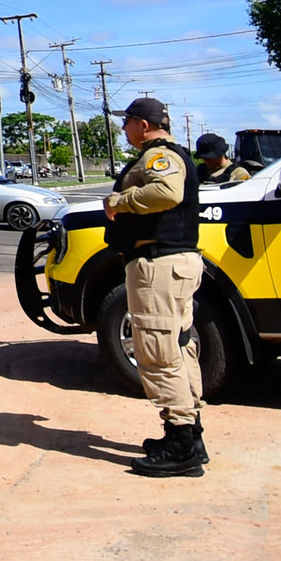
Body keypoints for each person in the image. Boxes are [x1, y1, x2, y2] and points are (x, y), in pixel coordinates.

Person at [103, 96, 208, 478]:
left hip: (159, 267)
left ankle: (180, 444)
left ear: (143, 124)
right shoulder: (162, 154)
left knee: (158, 351)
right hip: (170, 265)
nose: (124, 128)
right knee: (178, 347)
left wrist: (120, 200)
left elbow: (166, 193)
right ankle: (189, 433)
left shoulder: (158, 157)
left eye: (127, 122)